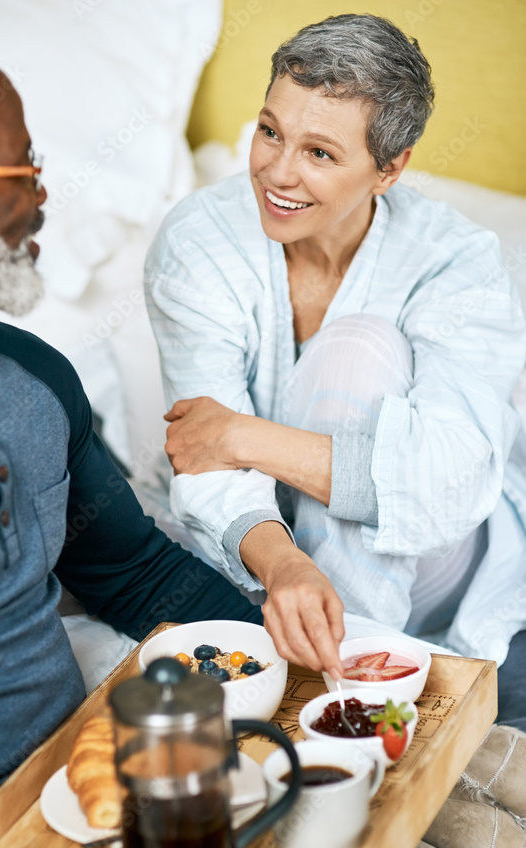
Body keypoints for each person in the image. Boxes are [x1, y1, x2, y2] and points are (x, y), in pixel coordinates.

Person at [0, 37, 474, 848]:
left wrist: (321, 665)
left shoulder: (33, 381)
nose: (43, 197)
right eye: (19, 170)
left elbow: (135, 573)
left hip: (89, 790)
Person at [145, 13, 526, 720]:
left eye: (319, 153)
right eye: (269, 132)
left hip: (438, 556)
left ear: (390, 167)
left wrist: (242, 435)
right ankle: (350, 686)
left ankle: (346, 682)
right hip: (273, 553)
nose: (277, 173)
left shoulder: (456, 261)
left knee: (356, 347)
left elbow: (444, 481)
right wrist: (283, 561)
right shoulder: (198, 240)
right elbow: (202, 459)